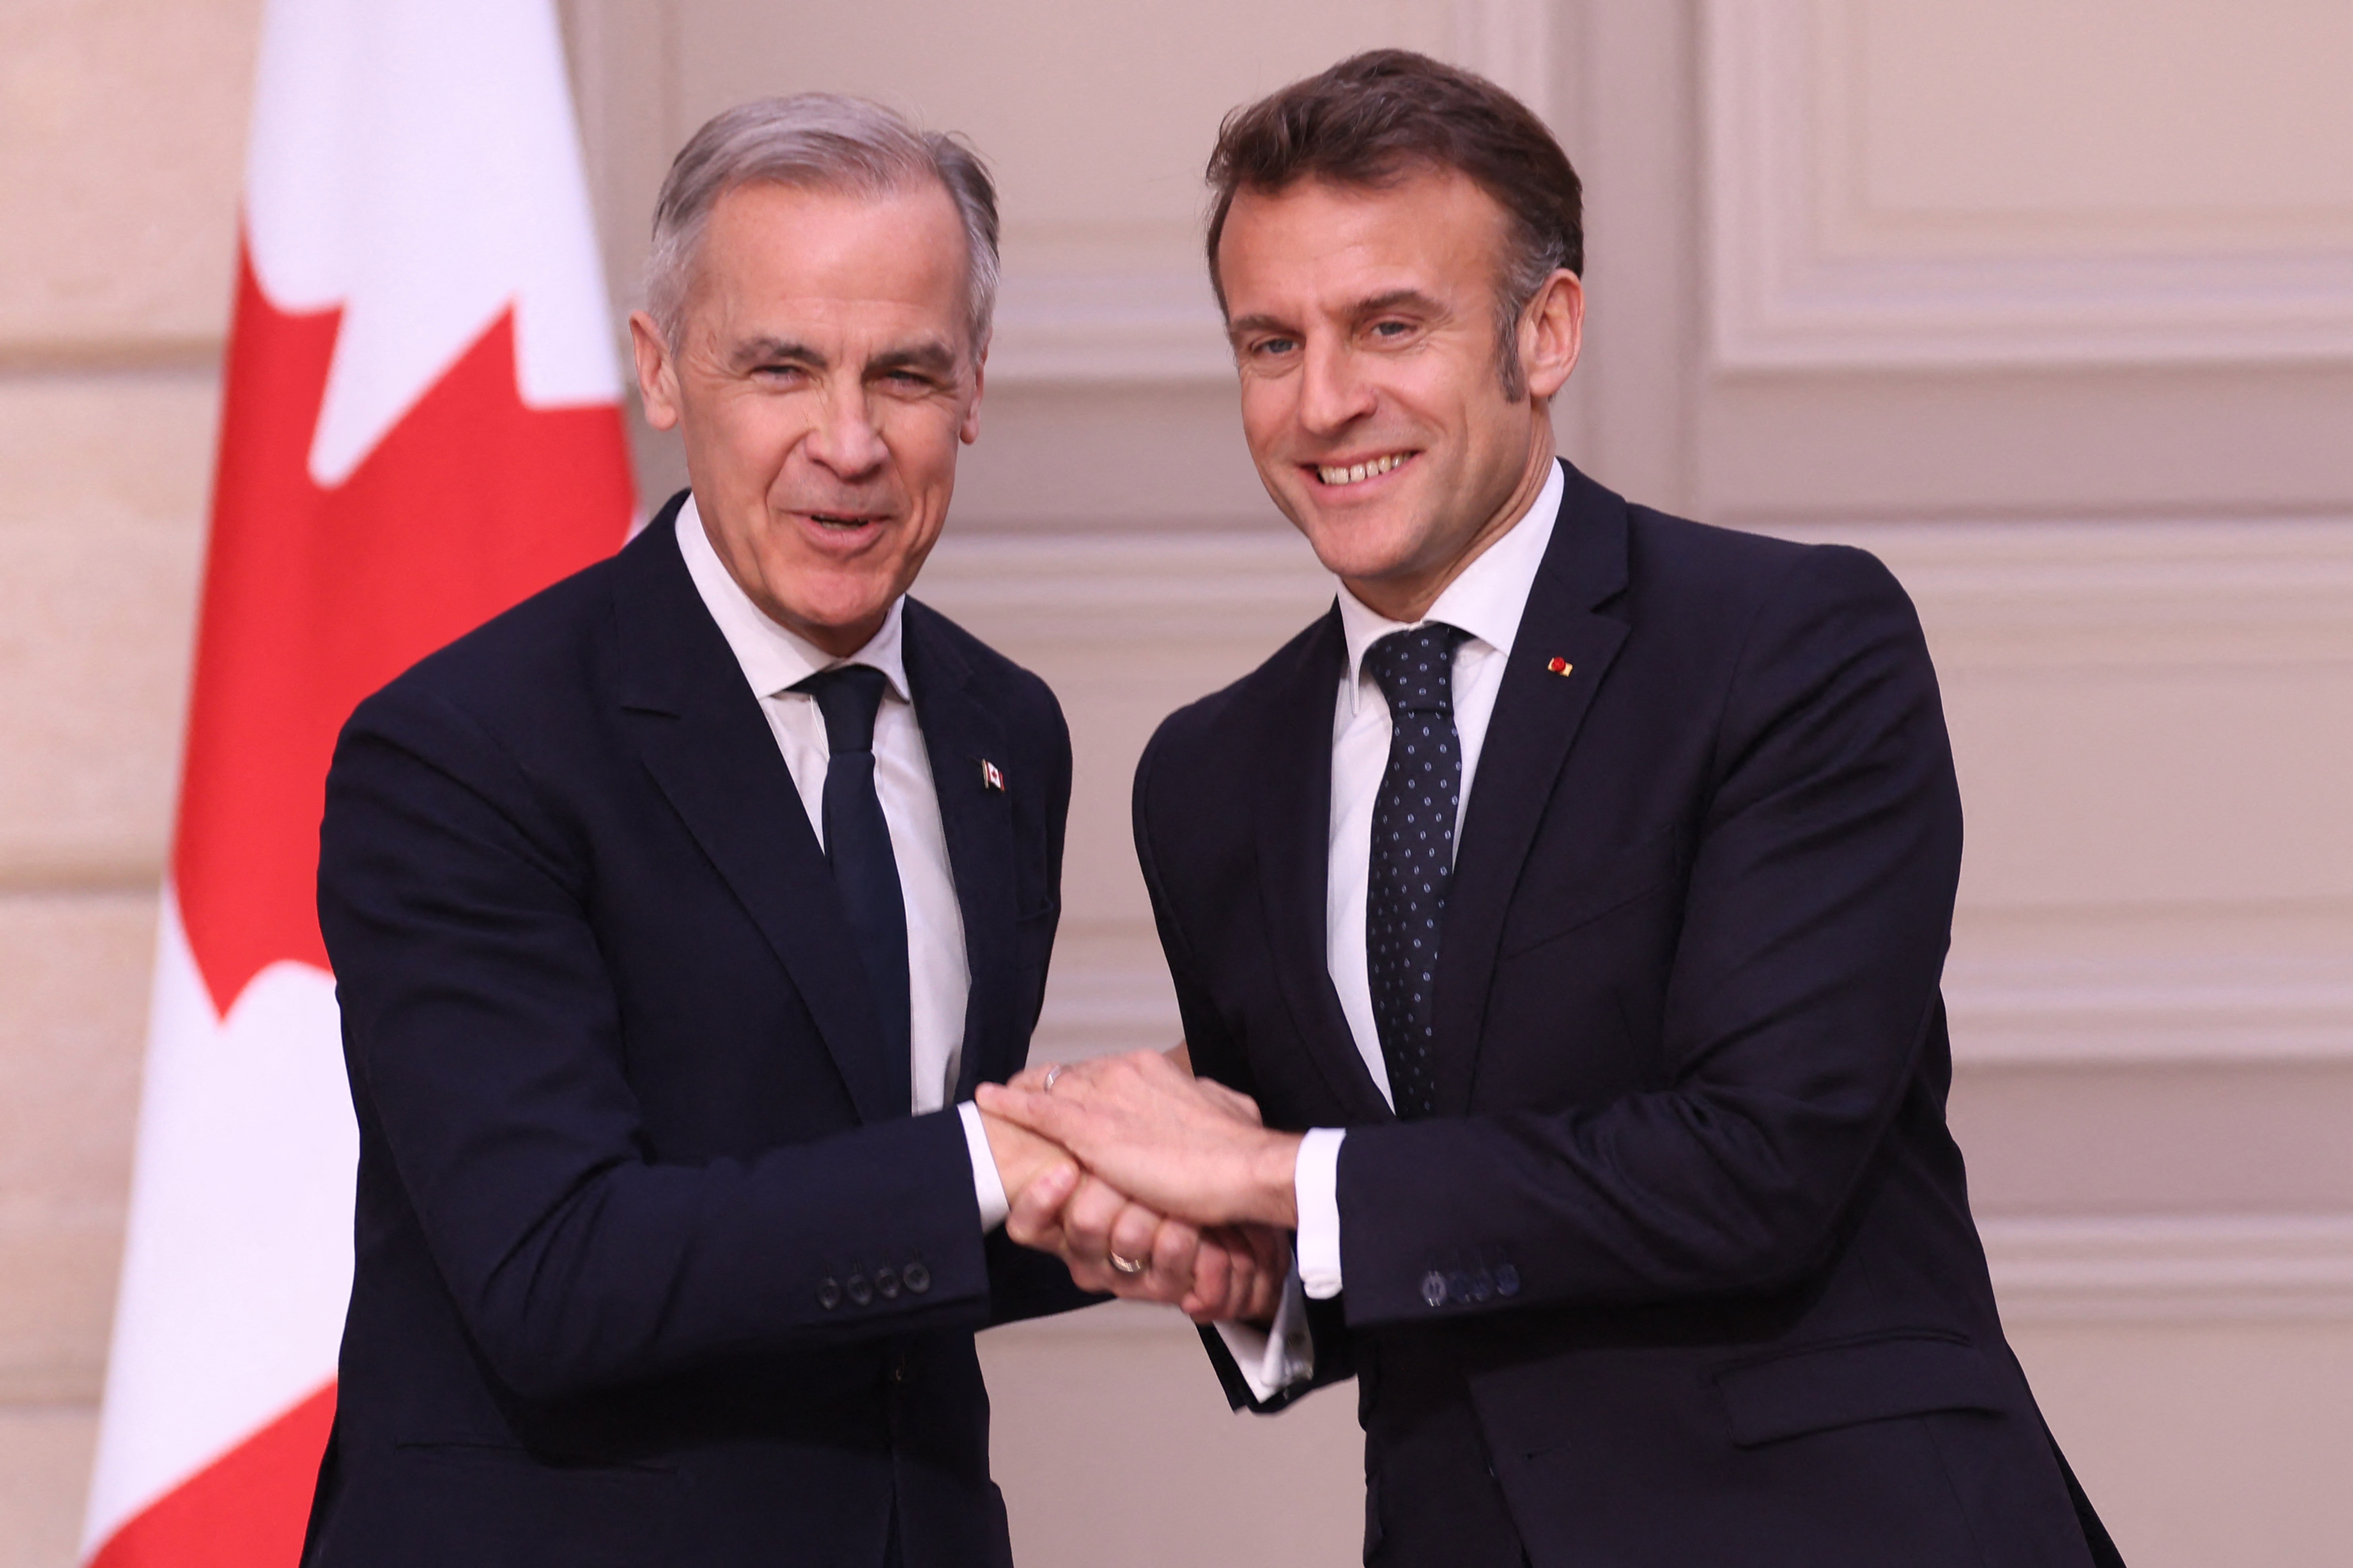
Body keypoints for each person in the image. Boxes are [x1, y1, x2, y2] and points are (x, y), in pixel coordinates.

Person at [983, 50, 2126, 1568]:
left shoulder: (1787, 642)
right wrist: (1228, 1262)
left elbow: (1754, 1166)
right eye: (1272, 341)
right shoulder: (1209, 776)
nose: (1324, 402)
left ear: (1547, 331)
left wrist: (1269, 1176)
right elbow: (1383, 1224)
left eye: (1391, 325)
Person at [305, 94, 1269, 1568]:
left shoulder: (1007, 728)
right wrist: (1009, 1159)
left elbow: (887, 1233)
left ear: (974, 388)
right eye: (782, 368)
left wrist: (1144, 1209)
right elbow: (556, 1272)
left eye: (905, 372)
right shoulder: (465, 751)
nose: (850, 441)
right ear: (660, 371)